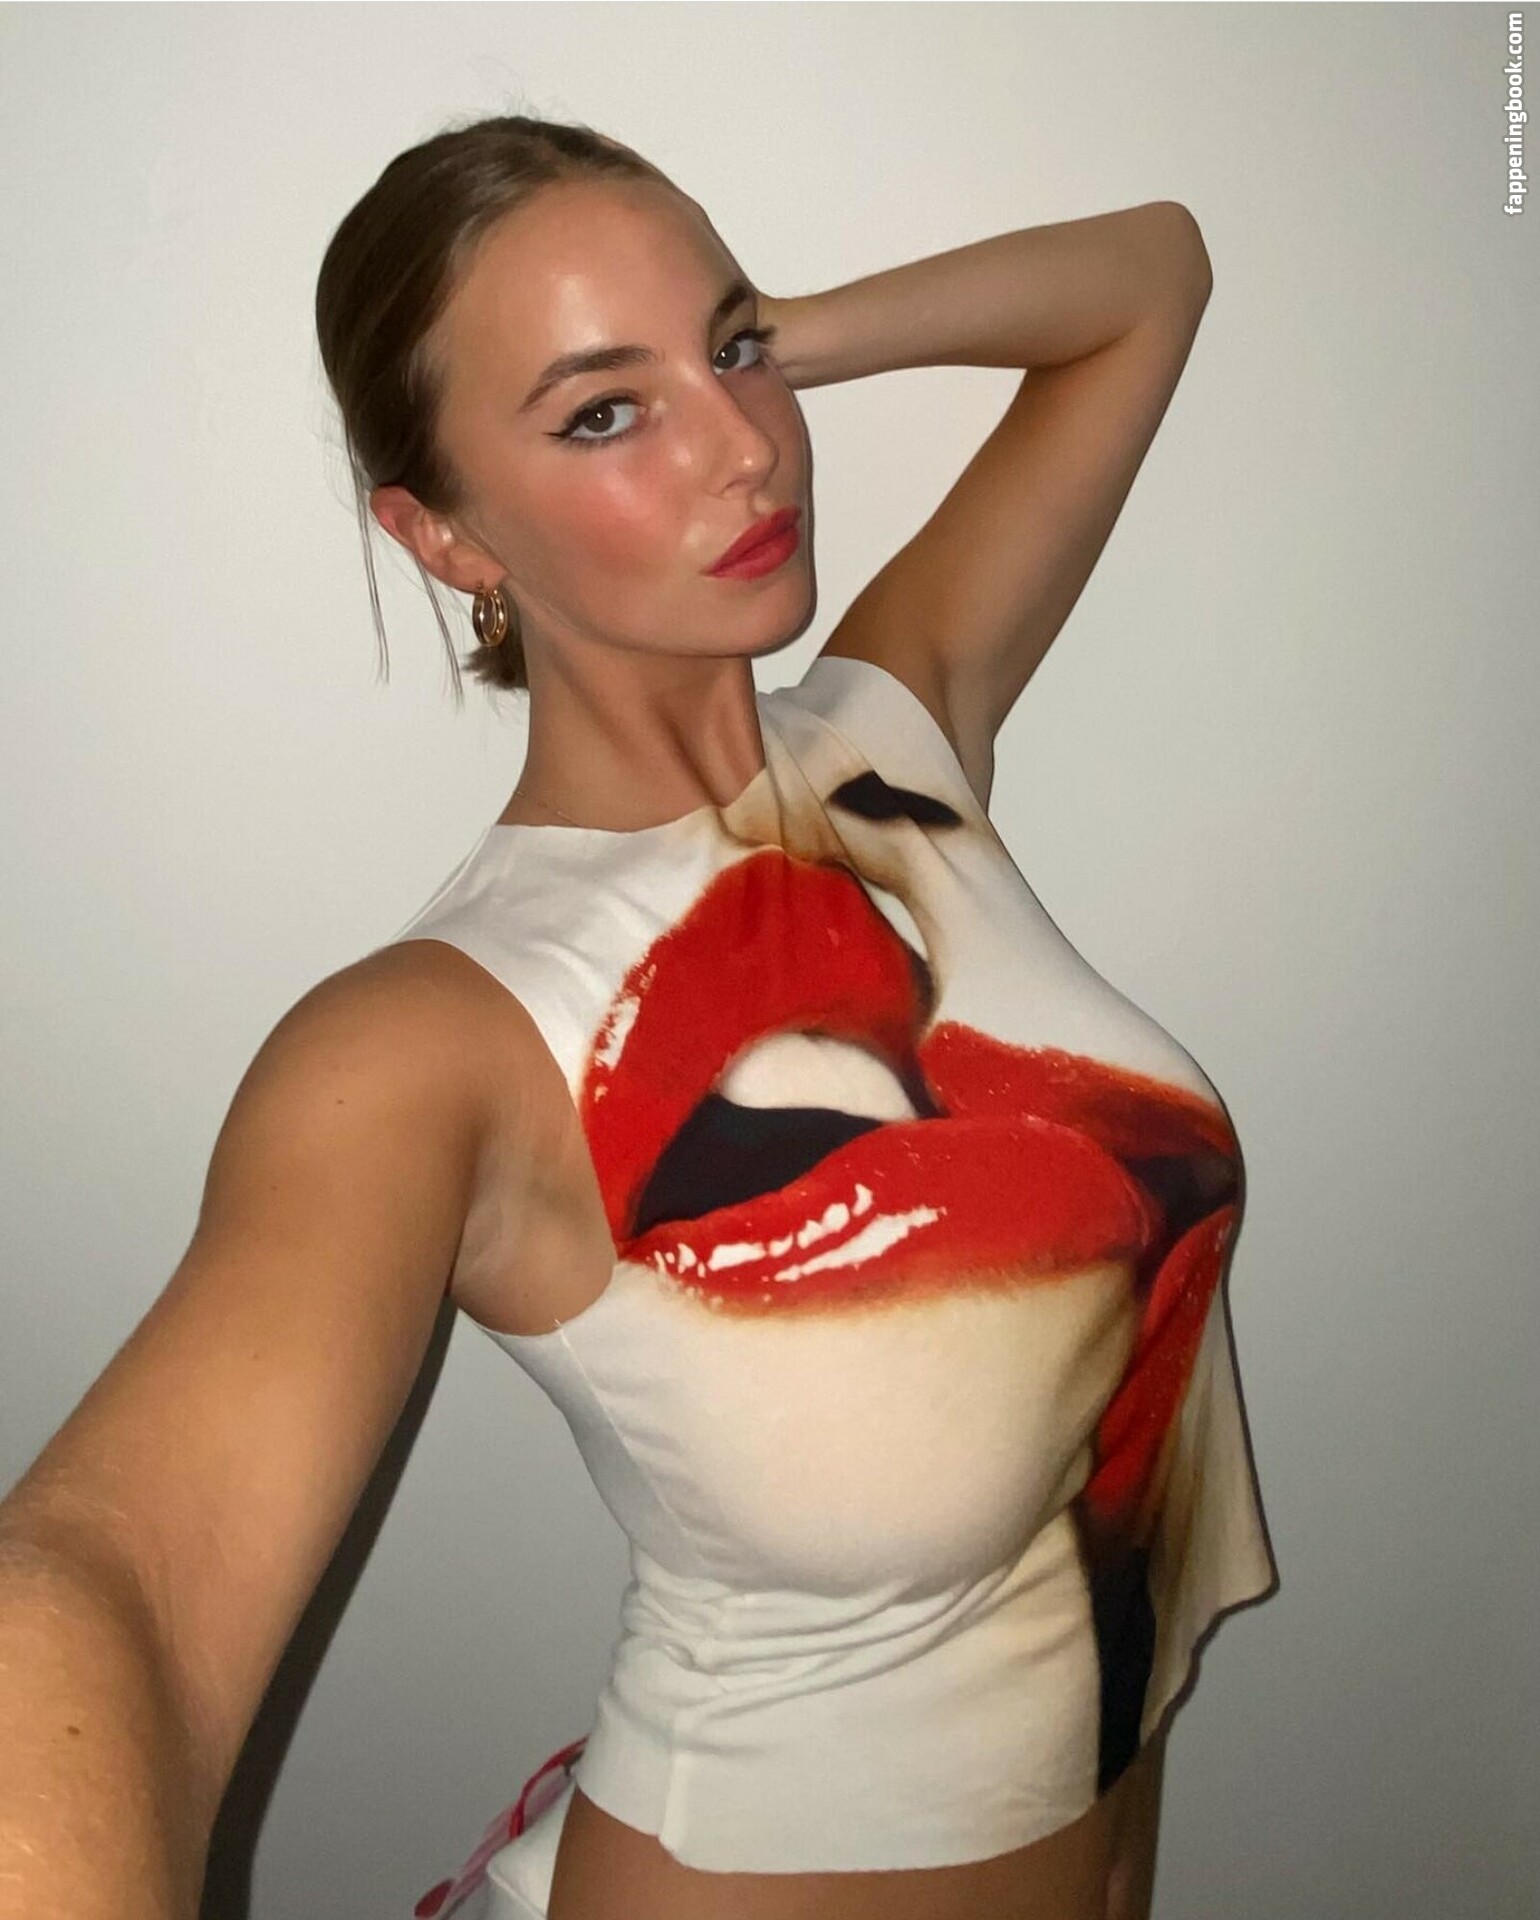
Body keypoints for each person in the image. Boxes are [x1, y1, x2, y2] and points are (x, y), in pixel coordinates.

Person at [0, 111, 1277, 1920]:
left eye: (733, 357)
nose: (747, 448)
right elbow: (111, 1584)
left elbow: (1152, 274)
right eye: (605, 414)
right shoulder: (436, 1037)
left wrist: (773, 330)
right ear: (444, 533)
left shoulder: (892, 739)